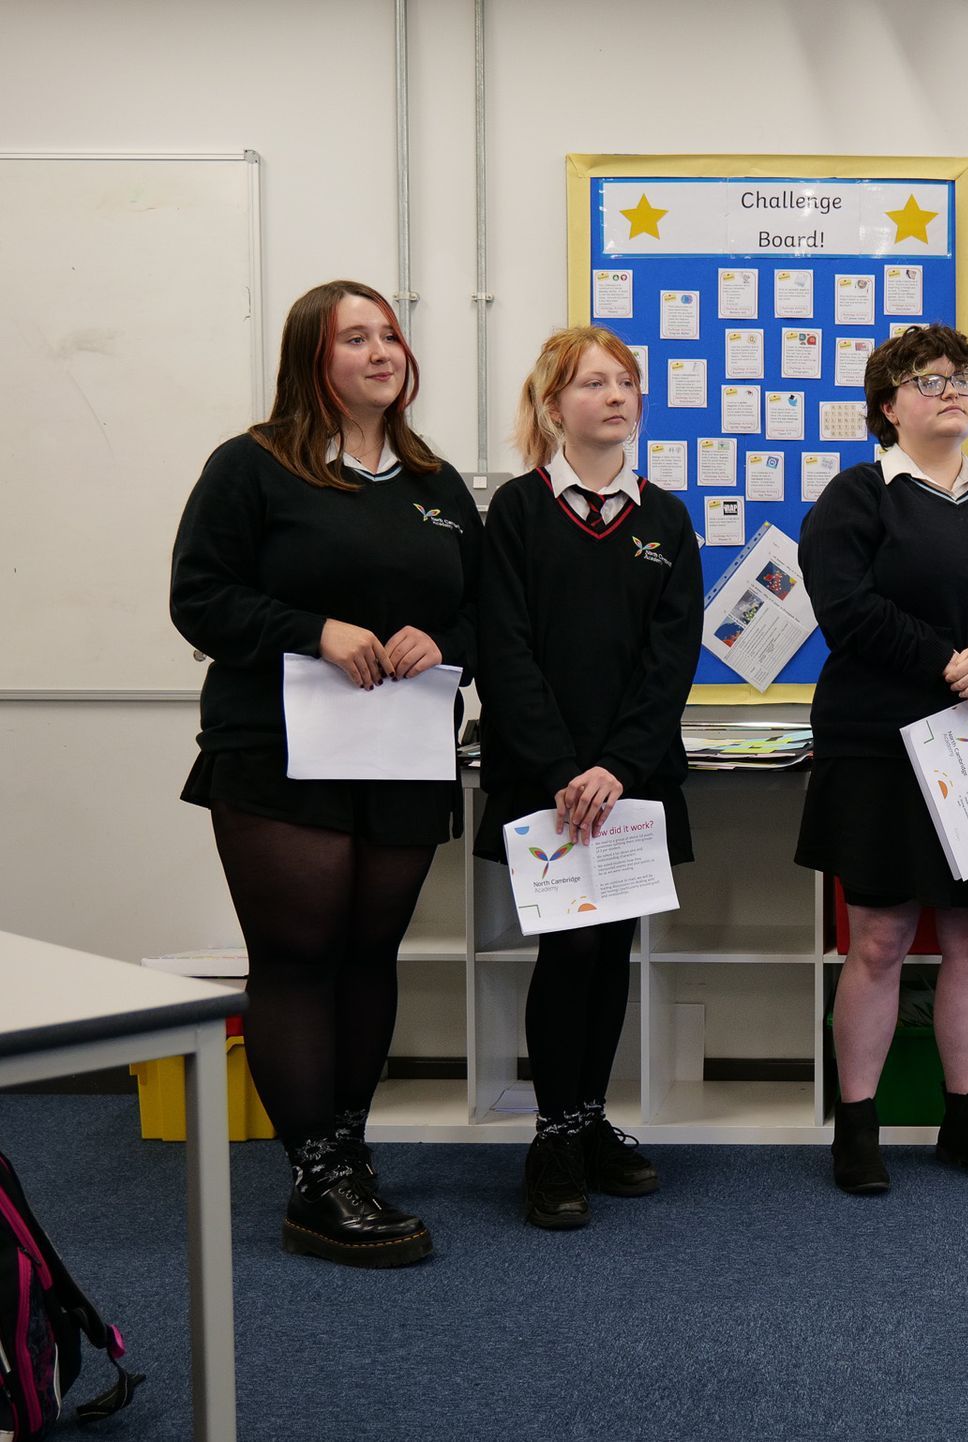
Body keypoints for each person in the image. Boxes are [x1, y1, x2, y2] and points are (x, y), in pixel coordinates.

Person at [170, 279, 479, 1266]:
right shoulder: (252, 467)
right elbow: (200, 598)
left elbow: (484, 609)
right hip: (278, 747)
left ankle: (345, 1147)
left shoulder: (435, 484)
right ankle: (315, 1175)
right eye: (356, 337)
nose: (382, 350)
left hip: (402, 750)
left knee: (367, 953)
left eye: (390, 333)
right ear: (314, 356)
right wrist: (313, 631)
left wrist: (445, 636)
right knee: (300, 956)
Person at [796, 324, 968, 1194]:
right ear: (888, 406)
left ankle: (967, 1117)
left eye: (962, 378)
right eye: (927, 380)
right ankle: (859, 1126)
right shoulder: (856, 498)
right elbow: (848, 612)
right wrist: (952, 665)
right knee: (877, 939)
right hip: (880, 751)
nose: (951, 391)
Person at [477, 326, 702, 1229]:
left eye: (626, 383)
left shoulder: (666, 519)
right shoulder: (517, 514)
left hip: (632, 780)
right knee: (567, 951)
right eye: (592, 383)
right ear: (552, 404)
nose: (615, 397)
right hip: (548, 782)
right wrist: (569, 770)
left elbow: (668, 660)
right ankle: (553, 1136)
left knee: (614, 951)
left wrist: (616, 766)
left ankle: (590, 1115)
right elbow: (506, 653)